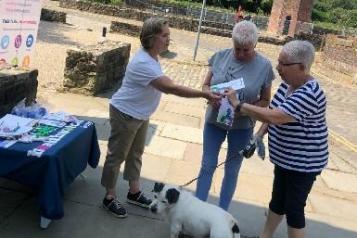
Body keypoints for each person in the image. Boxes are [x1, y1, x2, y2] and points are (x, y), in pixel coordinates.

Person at [101, 17, 221, 218]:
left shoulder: (152, 57)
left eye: (169, 36)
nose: (168, 40)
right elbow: (170, 87)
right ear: (150, 38)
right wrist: (203, 94)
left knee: (136, 154)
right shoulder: (143, 63)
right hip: (125, 113)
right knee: (117, 156)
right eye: (164, 36)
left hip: (140, 114)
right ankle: (109, 197)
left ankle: (134, 192)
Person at [226, 40, 328, 238]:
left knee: (293, 209)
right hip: (285, 159)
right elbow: (272, 111)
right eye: (278, 61)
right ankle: (265, 236)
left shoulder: (310, 94)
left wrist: (238, 105)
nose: (278, 68)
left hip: (303, 164)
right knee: (278, 200)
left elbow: (275, 116)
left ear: (302, 67)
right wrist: (258, 135)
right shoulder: (287, 86)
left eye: (284, 64)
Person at [195, 20, 275, 211]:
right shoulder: (220, 57)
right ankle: (197, 212)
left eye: (246, 50)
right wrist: (210, 96)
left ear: (255, 44)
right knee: (207, 165)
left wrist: (243, 106)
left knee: (231, 171)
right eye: (237, 48)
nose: (240, 54)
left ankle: (222, 214)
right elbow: (205, 86)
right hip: (215, 120)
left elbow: (265, 101)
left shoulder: (264, 66)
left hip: (243, 126)